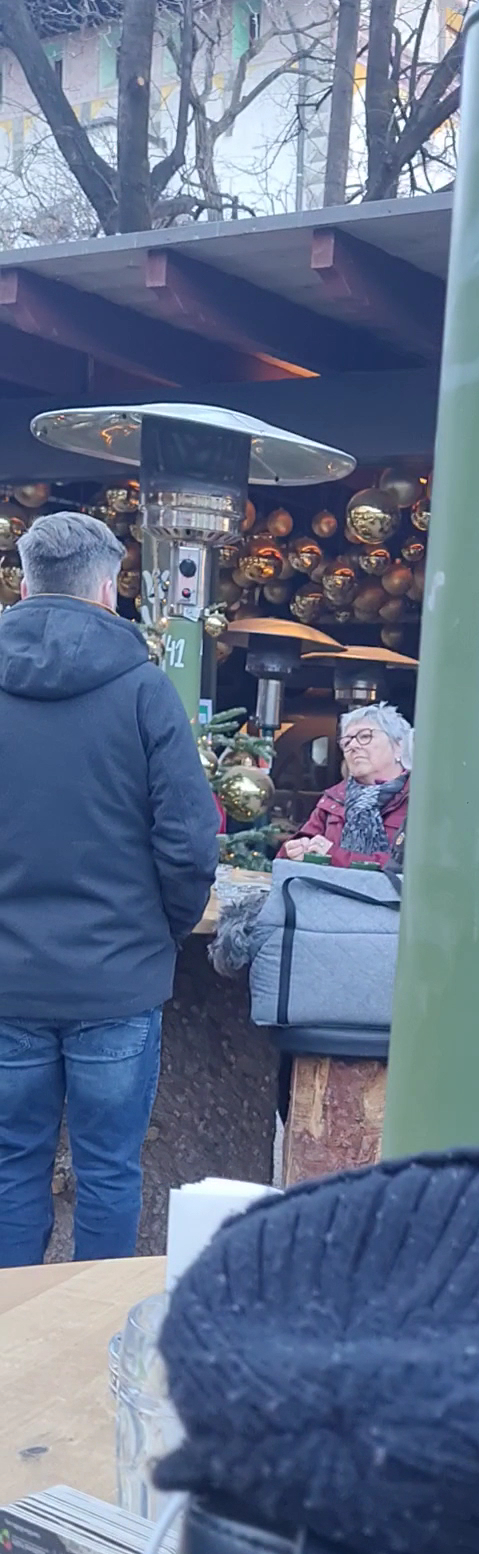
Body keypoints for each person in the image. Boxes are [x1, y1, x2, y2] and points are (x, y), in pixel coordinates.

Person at [0, 512, 220, 1267]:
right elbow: (189, 841)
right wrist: (161, 932)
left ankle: (12, 1331)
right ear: (107, 588)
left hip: (8, 979)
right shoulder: (144, 690)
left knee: (10, 1168)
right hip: (117, 977)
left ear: (24, 584)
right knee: (109, 1171)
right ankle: (96, 1329)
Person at [280, 703, 411, 869]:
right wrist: (295, 850)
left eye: (365, 736)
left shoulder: (419, 799)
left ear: (398, 746)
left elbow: (412, 865)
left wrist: (335, 856)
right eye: (347, 741)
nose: (353, 746)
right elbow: (286, 857)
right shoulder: (334, 798)